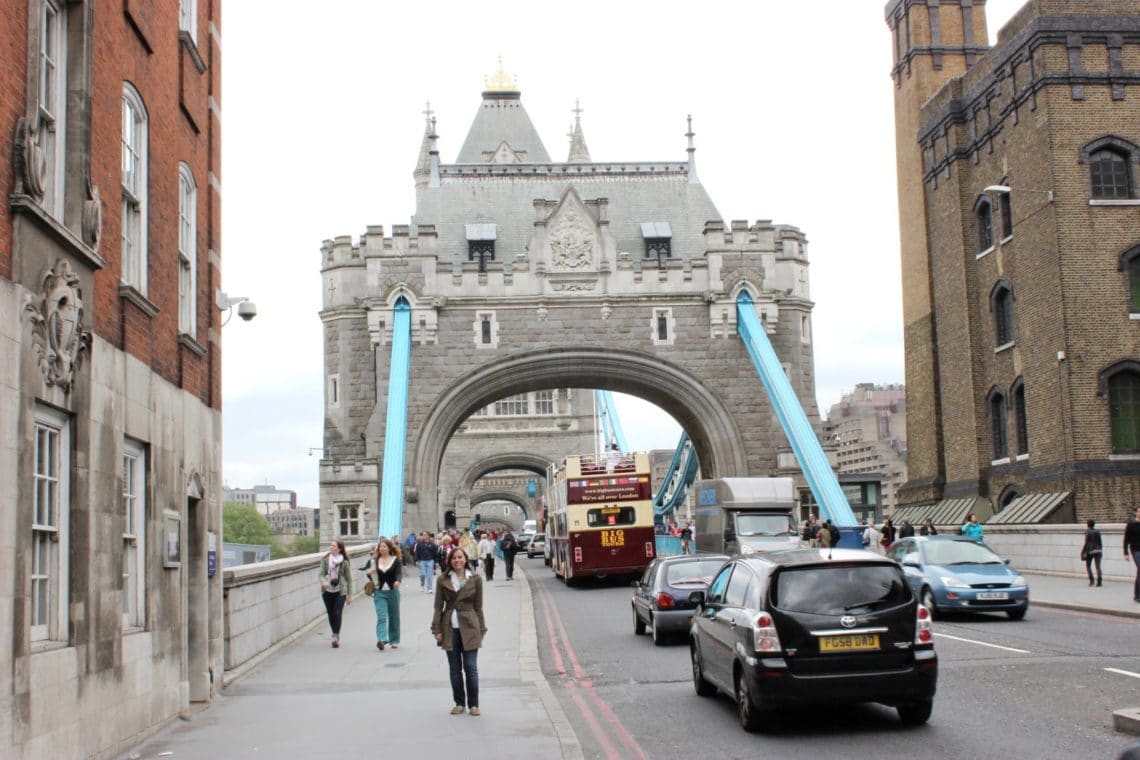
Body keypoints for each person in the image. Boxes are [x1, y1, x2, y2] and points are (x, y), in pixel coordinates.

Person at [431, 548, 487, 716]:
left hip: (470, 627)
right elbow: (437, 606)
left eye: (460, 557)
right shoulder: (442, 580)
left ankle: (474, 705)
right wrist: (436, 629)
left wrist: (482, 628)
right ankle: (459, 703)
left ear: (465, 559)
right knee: (455, 669)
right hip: (449, 628)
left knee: (471, 667)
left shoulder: (475, 579)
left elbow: (478, 607)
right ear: (450, 561)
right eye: (454, 558)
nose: (457, 560)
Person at [365, 538, 402, 650]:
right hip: (379, 592)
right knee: (381, 616)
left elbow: (398, 573)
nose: (382, 548)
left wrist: (397, 581)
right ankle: (381, 639)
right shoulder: (374, 561)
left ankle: (394, 640)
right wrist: (369, 573)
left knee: (394, 617)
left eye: (384, 546)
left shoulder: (396, 560)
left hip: (393, 592)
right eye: (380, 546)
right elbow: (372, 578)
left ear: (389, 548)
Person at [318, 540, 353, 648]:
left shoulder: (344, 562)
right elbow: (321, 574)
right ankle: (335, 632)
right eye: (331, 545)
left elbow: (349, 579)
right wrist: (323, 582)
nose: (331, 547)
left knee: (337, 612)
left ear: (339, 549)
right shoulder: (325, 560)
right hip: (327, 591)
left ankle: (335, 635)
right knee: (331, 613)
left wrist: (350, 595)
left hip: (340, 591)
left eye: (333, 546)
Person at [1080, 518, 1103, 588]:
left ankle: (1092, 581)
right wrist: (1100, 549)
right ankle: (1099, 582)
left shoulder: (1087, 531)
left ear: (1087, 525)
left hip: (1090, 551)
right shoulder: (1098, 531)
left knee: (1088, 566)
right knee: (1098, 567)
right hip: (1098, 550)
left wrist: (1083, 551)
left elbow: (1086, 543)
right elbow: (1100, 542)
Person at [1125, 506, 1140, 603]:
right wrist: (1125, 553)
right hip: (1135, 550)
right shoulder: (1131, 524)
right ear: (1135, 513)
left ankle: (1136, 595)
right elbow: (1126, 539)